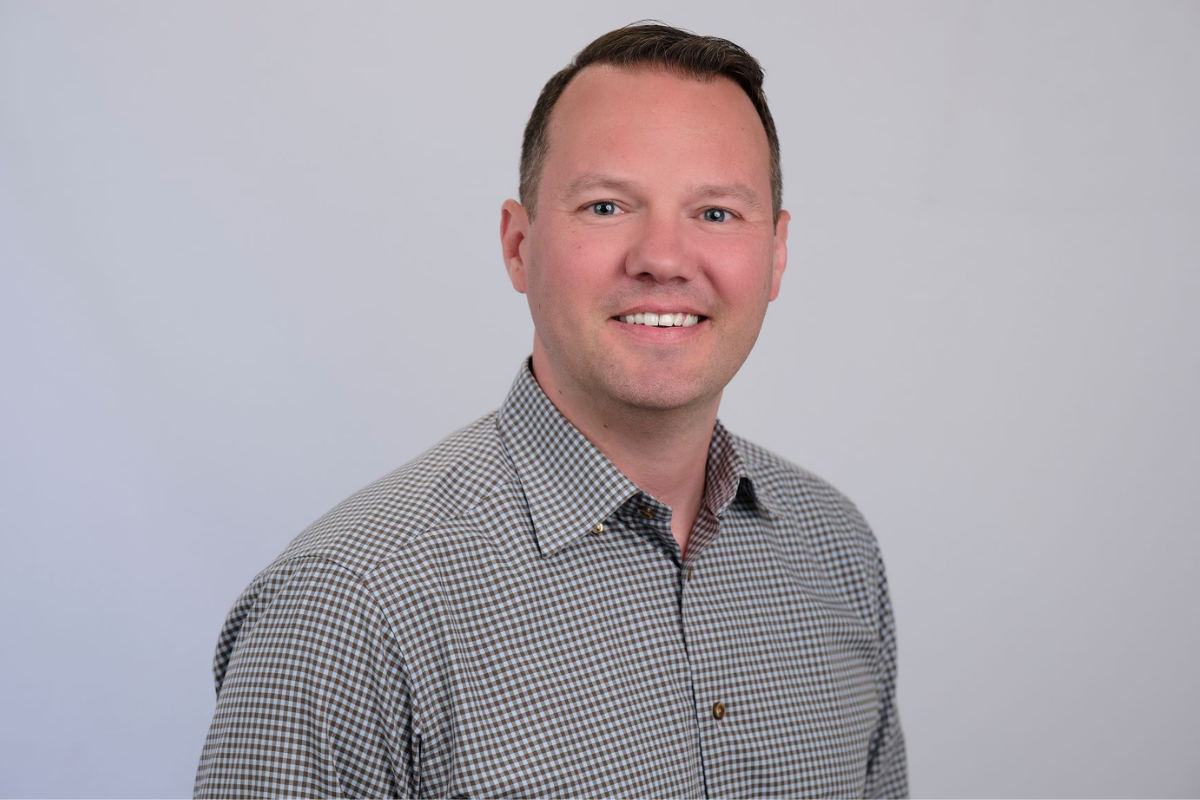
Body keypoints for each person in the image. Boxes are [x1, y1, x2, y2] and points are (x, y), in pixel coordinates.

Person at [194, 22, 907, 799]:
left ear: (775, 255)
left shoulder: (838, 553)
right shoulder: (346, 608)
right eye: (606, 207)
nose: (662, 258)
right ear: (517, 245)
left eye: (715, 214)